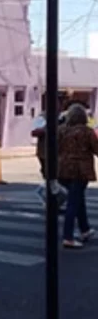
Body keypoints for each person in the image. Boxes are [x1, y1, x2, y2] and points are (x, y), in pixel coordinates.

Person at [57, 103, 98, 248]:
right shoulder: (87, 132)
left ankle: (85, 229)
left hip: (63, 169)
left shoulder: (61, 130)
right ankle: (68, 237)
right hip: (80, 170)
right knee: (73, 203)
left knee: (78, 199)